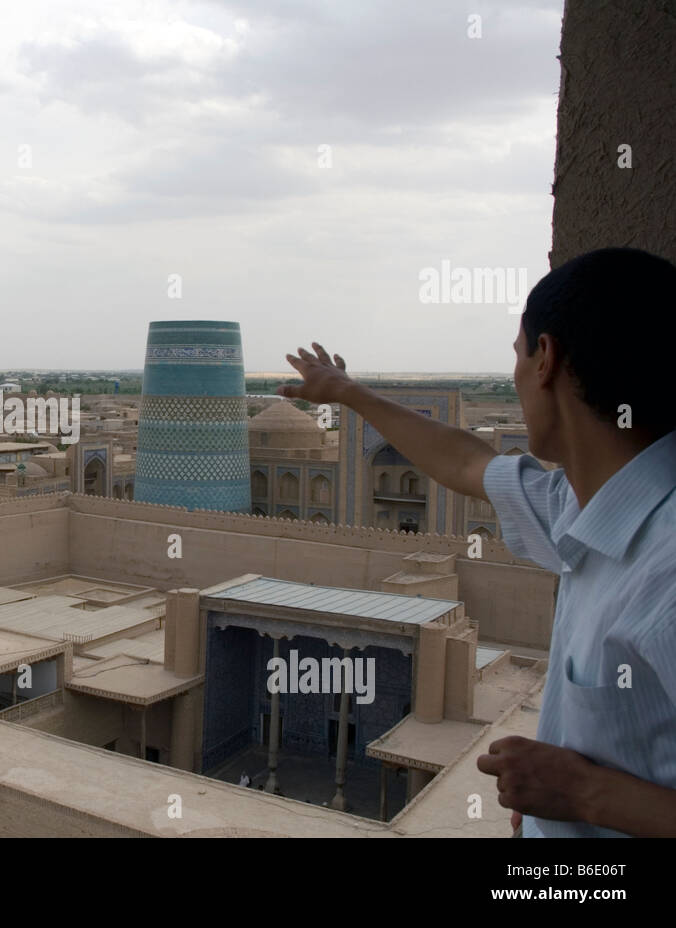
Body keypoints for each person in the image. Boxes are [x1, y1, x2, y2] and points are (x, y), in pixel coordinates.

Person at [277, 247, 676, 837]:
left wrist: (587, 793)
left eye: (516, 356)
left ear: (546, 359)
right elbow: (466, 463)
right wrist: (349, 394)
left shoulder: (665, 571)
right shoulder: (580, 504)